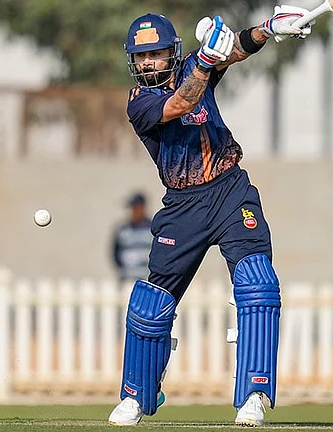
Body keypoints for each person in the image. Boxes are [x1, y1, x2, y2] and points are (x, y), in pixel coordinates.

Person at [108, 7, 314, 427]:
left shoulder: (192, 66)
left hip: (229, 190)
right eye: (141, 57)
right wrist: (205, 60)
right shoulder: (139, 102)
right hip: (182, 206)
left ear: (172, 53)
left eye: (157, 54)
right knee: (151, 305)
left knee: (257, 283)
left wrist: (270, 29)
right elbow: (184, 99)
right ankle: (136, 394)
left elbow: (235, 48)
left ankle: (253, 394)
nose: (148, 63)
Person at [111, 192, 153, 283]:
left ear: (142, 207)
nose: (133, 211)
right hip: (128, 279)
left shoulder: (153, 229)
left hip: (148, 279)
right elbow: (115, 254)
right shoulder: (122, 230)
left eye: (136, 208)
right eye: (132, 208)